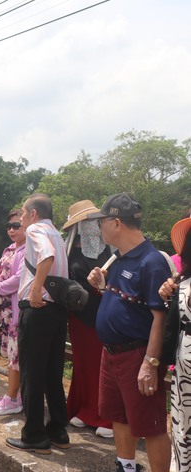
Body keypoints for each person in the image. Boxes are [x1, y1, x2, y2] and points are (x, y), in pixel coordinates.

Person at [87, 193, 171, 472]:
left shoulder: (151, 261)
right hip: (112, 353)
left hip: (137, 354)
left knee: (152, 424)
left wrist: (150, 362)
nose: (100, 228)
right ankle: (126, 466)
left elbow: (159, 316)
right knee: (119, 415)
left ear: (117, 223)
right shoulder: (118, 259)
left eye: (102, 222)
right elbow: (127, 304)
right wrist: (102, 286)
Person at [6, 193, 69, 455]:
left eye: (22, 213)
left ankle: (34, 435)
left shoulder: (34, 229)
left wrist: (35, 290)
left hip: (37, 308)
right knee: (52, 372)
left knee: (32, 372)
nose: (19, 219)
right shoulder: (58, 233)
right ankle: (57, 429)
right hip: (57, 310)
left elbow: (46, 256)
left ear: (33, 214)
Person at [62, 200, 114, 439]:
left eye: (95, 221)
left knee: (101, 366)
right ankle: (84, 409)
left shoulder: (110, 252)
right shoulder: (71, 250)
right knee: (83, 364)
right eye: (87, 222)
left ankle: (106, 415)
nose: (92, 226)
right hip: (78, 318)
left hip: (103, 317)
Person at [0, 210, 25, 415]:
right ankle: (15, 396)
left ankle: (12, 398)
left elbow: (18, 279)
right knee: (12, 354)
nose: (11, 229)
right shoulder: (9, 249)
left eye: (16, 225)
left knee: (15, 355)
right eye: (9, 226)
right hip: (6, 311)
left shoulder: (28, 250)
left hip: (17, 311)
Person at [159, 216, 191, 471]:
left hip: (185, 368)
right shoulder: (179, 285)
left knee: (184, 428)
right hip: (184, 371)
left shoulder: (181, 286)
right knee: (182, 427)